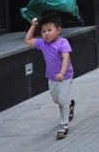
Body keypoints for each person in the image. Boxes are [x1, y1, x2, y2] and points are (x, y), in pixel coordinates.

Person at [24, 11, 75, 140]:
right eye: (43, 31)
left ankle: (64, 126)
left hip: (65, 77)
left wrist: (62, 73)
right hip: (51, 78)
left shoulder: (63, 43)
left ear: (58, 30)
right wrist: (33, 26)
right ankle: (70, 105)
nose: (46, 33)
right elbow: (28, 40)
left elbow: (66, 58)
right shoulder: (42, 43)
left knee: (62, 100)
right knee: (56, 100)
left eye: (49, 30)